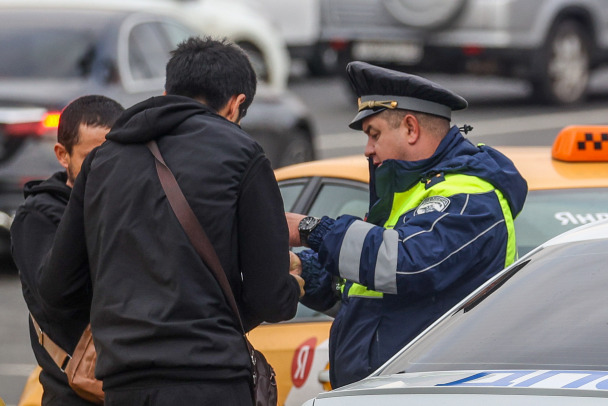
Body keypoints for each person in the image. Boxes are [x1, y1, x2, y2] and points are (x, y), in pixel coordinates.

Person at [38, 36, 303, 406]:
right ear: (236, 104)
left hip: (122, 383)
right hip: (209, 380)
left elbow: (55, 288)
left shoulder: (103, 161)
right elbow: (269, 296)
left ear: (166, 91)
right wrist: (294, 285)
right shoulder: (242, 155)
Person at [286, 61, 528, 388]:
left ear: (411, 128)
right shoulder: (414, 193)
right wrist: (304, 268)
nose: (367, 149)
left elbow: (406, 265)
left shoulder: (470, 198)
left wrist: (311, 229)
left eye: (374, 134)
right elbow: (371, 291)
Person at [11, 95, 125, 405]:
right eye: (92, 159)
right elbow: (58, 295)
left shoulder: (132, 205)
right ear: (63, 155)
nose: (105, 170)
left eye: (116, 157)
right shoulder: (39, 216)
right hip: (74, 393)